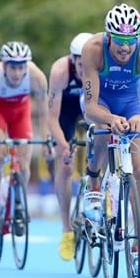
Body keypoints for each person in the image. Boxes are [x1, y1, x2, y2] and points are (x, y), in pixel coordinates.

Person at [81, 3, 140, 277]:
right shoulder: (92, 49)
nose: (125, 48)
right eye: (120, 41)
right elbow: (90, 106)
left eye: (130, 41)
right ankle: (93, 182)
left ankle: (139, 244)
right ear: (108, 36)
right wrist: (110, 119)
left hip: (132, 104)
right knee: (102, 127)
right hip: (101, 103)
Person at [0, 41, 49, 233]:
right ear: (4, 65)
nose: (17, 73)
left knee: (23, 165)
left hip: (21, 114)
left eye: (21, 67)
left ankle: (18, 204)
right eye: (13, 67)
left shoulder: (37, 78)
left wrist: (47, 141)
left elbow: (44, 114)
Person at [47, 32, 93, 261]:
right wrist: (64, 145)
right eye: (81, 65)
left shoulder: (100, 68)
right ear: (73, 60)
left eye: (89, 65)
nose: (85, 70)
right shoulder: (60, 72)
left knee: (100, 155)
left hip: (91, 110)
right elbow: (51, 118)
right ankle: (66, 229)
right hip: (65, 113)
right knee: (64, 166)